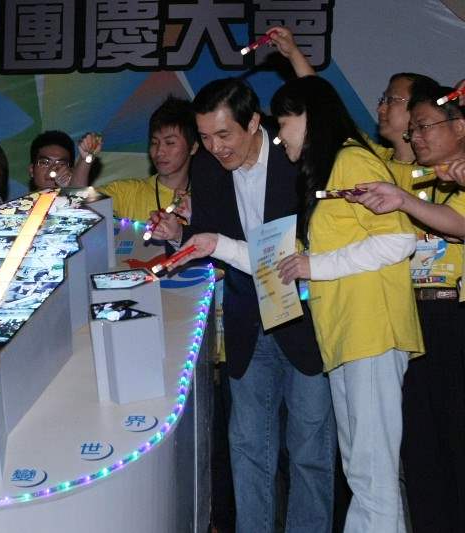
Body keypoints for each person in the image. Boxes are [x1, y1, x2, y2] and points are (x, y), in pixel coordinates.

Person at [156, 77, 335, 533]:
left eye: (224, 134)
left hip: (306, 321)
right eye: (205, 137)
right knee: (247, 448)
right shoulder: (207, 169)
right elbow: (211, 241)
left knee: (310, 450)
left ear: (254, 122)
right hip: (246, 323)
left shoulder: (296, 157)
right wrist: (179, 236)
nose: (215, 148)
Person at [264, 75, 424, 532]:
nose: (279, 137)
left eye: (283, 123)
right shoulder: (331, 170)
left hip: (370, 332)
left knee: (371, 473)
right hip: (346, 338)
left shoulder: (352, 160)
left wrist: (316, 265)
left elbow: (398, 239)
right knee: (364, 472)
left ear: (309, 118)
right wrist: (216, 243)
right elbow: (297, 259)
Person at [349, 81, 465, 533]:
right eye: (412, 128)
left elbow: (457, 223)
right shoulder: (408, 176)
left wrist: (404, 201)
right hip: (412, 318)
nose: (415, 136)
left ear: (459, 126)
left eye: (425, 126)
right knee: (419, 443)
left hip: (456, 315)